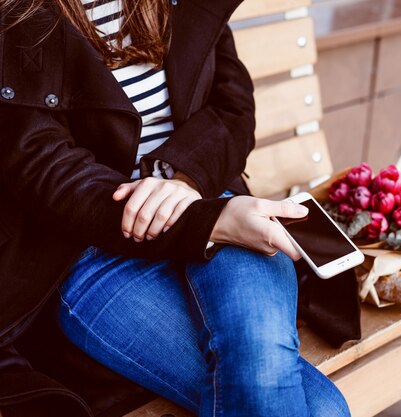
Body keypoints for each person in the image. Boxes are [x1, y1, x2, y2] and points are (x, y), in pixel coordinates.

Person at [0, 0, 351, 415]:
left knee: (265, 362)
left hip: (215, 203)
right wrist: (201, 219)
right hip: (90, 251)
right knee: (324, 406)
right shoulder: (16, 15)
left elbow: (233, 108)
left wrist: (185, 179)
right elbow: (48, 171)